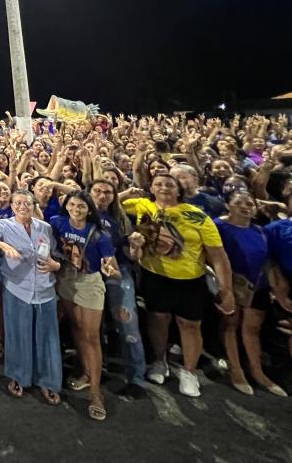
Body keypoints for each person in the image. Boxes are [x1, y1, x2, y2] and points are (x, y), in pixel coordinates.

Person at [121, 173, 235, 398]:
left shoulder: (197, 216)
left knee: (189, 325)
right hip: (154, 275)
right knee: (158, 319)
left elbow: (218, 256)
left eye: (169, 185)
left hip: (190, 279)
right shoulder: (142, 206)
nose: (164, 188)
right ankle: (159, 360)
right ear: (151, 188)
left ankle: (189, 371)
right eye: (159, 184)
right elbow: (106, 201)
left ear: (178, 190)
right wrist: (128, 191)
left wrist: (227, 289)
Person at [0, 190, 63, 406]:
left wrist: (56, 265)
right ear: (12, 206)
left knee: (48, 338)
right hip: (17, 289)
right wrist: (3, 246)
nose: (23, 206)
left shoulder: (45, 228)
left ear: (34, 205)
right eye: (18, 203)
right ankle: (18, 376)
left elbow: (56, 255)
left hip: (45, 290)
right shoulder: (5, 226)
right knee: (18, 334)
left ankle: (48, 381)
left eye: (27, 202)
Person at [50, 191, 120, 421]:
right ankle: (86, 373)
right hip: (66, 280)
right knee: (77, 330)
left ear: (89, 209)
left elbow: (114, 268)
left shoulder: (100, 235)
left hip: (89, 283)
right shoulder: (57, 223)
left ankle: (95, 393)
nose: (76, 210)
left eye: (81, 206)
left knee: (91, 337)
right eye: (72, 205)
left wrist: (111, 272)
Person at [214, 191, 286, 396]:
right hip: (231, 284)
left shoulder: (260, 231)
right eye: (238, 203)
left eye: (249, 204)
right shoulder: (218, 226)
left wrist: (277, 289)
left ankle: (257, 371)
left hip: (258, 286)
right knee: (230, 325)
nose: (245, 207)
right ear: (228, 205)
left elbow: (269, 262)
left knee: (252, 328)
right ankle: (236, 370)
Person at [88, 179, 146, 399]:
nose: (102, 196)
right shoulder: (80, 212)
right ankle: (95, 369)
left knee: (127, 324)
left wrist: (135, 247)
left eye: (108, 192)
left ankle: (136, 377)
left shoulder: (120, 219)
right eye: (97, 192)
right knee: (94, 327)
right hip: (90, 275)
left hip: (117, 274)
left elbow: (131, 256)